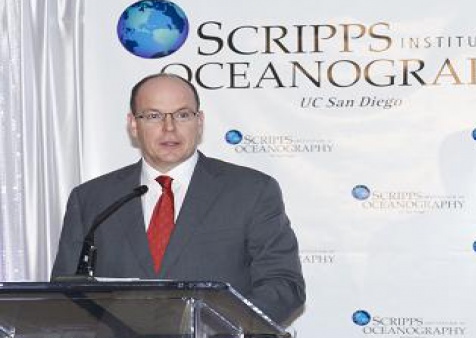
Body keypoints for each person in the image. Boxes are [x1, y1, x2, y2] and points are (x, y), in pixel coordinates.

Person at [51, 73, 305, 324]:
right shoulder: (92, 198)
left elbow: (283, 287)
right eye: (153, 116)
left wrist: (214, 327)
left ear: (199, 121)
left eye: (182, 115)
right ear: (133, 124)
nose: (169, 127)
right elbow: (64, 295)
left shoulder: (251, 191)